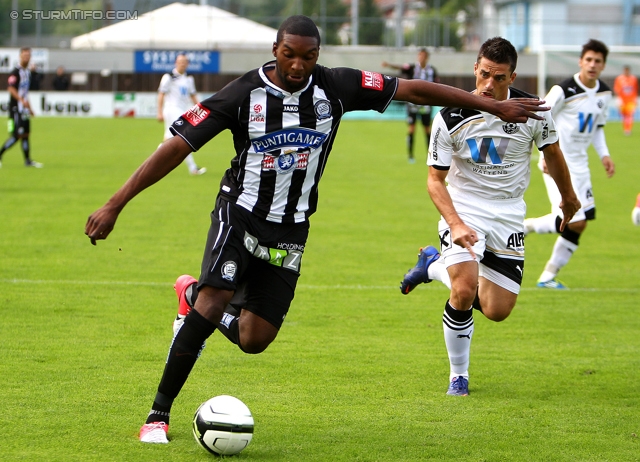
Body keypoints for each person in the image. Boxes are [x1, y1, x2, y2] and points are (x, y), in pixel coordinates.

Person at [84, 16, 549, 444]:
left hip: (291, 230)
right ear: (276, 49)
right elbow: (177, 147)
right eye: (290, 54)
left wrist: (492, 108)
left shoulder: (339, 86)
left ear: (318, 55)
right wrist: (114, 204)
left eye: (308, 56)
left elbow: (416, 91)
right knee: (214, 301)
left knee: (255, 339)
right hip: (239, 213)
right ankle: (157, 416)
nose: (299, 64)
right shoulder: (242, 95)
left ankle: (189, 297)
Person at [399, 37, 580, 396]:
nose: (488, 85)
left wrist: (569, 198)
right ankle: (458, 376)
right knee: (464, 290)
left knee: (498, 310)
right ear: (474, 70)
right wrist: (455, 223)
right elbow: (435, 181)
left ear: (512, 77)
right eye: (484, 75)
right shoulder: (450, 116)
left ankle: (431, 264)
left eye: (499, 78)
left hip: (509, 213)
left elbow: (554, 153)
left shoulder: (533, 112)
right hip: (465, 208)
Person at [523, 39, 614, 289]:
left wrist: (604, 155)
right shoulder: (564, 90)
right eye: (589, 60)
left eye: (598, 61)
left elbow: (597, 129)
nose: (592, 65)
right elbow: (539, 116)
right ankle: (523, 228)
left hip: (581, 165)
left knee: (580, 223)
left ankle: (547, 276)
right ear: (580, 61)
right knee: (570, 219)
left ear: (604, 65)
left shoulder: (604, 94)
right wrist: (543, 154)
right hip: (558, 161)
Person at [382, 48, 439, 163]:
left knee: (427, 130)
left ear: (427, 57)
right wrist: (389, 65)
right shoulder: (413, 68)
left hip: (426, 105)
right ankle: (410, 155)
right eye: (419, 55)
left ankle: (429, 155)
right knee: (412, 129)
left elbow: (437, 85)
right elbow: (401, 68)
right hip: (413, 104)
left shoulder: (432, 70)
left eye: (423, 56)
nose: (420, 57)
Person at [157, 54, 206, 176]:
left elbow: (192, 95)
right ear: (176, 63)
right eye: (180, 61)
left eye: (184, 62)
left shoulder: (189, 79)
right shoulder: (169, 77)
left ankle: (154, 162)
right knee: (183, 137)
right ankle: (193, 168)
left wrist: (202, 109)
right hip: (172, 109)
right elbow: (161, 94)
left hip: (182, 110)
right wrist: (159, 111)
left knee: (169, 138)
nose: (182, 64)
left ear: (187, 64)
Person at [0, 47, 43, 168]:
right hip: (15, 109)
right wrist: (21, 101)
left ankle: (28, 161)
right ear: (20, 56)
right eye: (24, 55)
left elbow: (25, 92)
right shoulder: (15, 71)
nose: (26, 58)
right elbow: (10, 88)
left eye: (28, 56)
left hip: (23, 109)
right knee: (16, 135)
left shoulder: (27, 72)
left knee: (26, 134)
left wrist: (29, 108)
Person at [613, 65, 638, 136]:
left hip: (630, 100)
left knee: (630, 115)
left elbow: (635, 89)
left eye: (627, 70)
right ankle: (626, 128)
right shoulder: (619, 79)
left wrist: (635, 99)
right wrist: (618, 99)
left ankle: (628, 130)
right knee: (624, 115)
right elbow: (616, 89)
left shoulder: (633, 79)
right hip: (622, 100)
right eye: (625, 70)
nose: (626, 71)